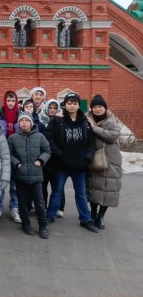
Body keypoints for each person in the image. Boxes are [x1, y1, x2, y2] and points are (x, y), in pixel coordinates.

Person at [46, 92, 98, 233]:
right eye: (69, 103)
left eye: (75, 103)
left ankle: (85, 219)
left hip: (80, 166)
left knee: (81, 193)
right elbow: (49, 139)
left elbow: (92, 143)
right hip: (62, 164)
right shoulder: (57, 121)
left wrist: (87, 157)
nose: (72, 105)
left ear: (78, 105)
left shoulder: (85, 122)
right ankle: (50, 215)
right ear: (65, 105)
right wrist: (59, 154)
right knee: (57, 191)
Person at [8, 112, 51, 239]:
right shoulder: (13, 138)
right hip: (20, 175)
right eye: (22, 121)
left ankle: (43, 226)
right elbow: (9, 154)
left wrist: (41, 160)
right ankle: (25, 224)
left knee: (39, 202)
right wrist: (17, 164)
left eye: (27, 120)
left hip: (36, 175)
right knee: (23, 202)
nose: (24, 123)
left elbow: (47, 150)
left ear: (31, 123)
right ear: (18, 123)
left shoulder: (40, 136)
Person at [86, 94, 123, 230]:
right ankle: (93, 213)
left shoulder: (112, 122)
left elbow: (113, 136)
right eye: (95, 107)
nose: (97, 109)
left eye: (100, 106)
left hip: (111, 160)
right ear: (91, 108)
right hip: (93, 158)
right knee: (94, 188)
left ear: (105, 108)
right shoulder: (86, 120)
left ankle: (101, 216)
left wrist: (94, 128)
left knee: (109, 189)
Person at [0, 90, 21, 224]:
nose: (10, 103)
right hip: (2, 154)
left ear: (16, 102)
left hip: (16, 154)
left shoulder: (21, 116)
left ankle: (15, 208)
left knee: (15, 185)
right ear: (5, 101)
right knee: (1, 184)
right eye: (8, 100)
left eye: (13, 101)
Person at [39, 99, 66, 218]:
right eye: (50, 108)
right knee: (43, 184)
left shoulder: (62, 121)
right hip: (44, 158)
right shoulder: (40, 120)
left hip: (57, 158)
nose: (52, 110)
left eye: (55, 108)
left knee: (58, 185)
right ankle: (43, 206)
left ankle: (59, 207)